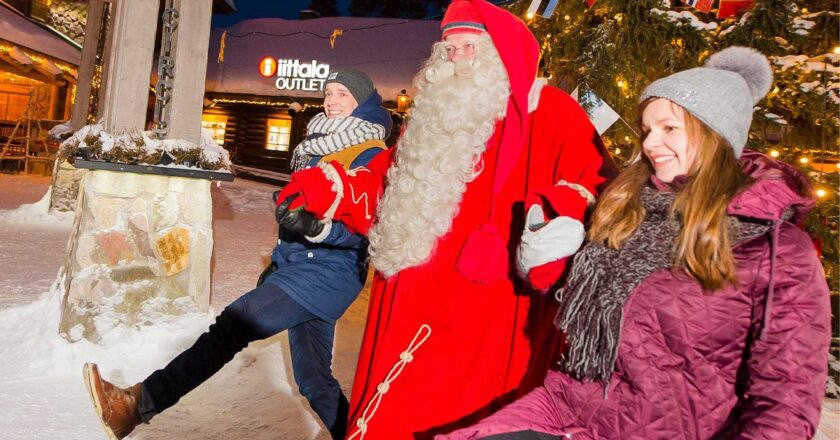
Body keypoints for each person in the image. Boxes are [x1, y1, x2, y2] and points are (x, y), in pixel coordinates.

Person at [440, 46, 831, 440]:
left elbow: (786, 399)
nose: (649, 143)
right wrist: (551, 263)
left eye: (669, 128)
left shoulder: (774, 246)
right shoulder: (629, 209)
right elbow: (586, 343)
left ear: (714, 133)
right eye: (647, 130)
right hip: (569, 416)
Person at [273, 1, 616, 437]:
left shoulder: (549, 110)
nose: (455, 60)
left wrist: (555, 217)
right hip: (409, 297)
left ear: (498, 52)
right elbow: (389, 179)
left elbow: (596, 183)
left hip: (483, 312)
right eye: (449, 50)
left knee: (454, 417)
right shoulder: (433, 117)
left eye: (468, 48)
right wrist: (326, 189)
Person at [82, 68, 392, 440]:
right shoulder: (321, 143)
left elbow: (370, 221)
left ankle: (136, 406)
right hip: (302, 266)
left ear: (362, 101)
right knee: (314, 382)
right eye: (328, 93)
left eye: (342, 94)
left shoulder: (371, 153)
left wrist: (317, 227)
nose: (331, 101)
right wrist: (281, 261)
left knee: (231, 328)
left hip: (328, 271)